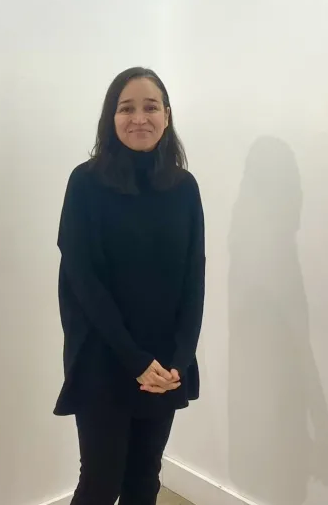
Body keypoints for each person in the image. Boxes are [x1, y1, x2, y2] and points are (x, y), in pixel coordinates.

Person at [56, 67, 205, 505]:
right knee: (100, 484)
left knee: (144, 480)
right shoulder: (85, 183)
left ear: (167, 115)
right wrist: (134, 359)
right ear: (111, 117)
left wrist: (179, 358)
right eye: (127, 108)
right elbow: (84, 282)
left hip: (162, 366)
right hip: (104, 357)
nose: (139, 118)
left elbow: (194, 279)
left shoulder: (184, 187)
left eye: (150, 106)